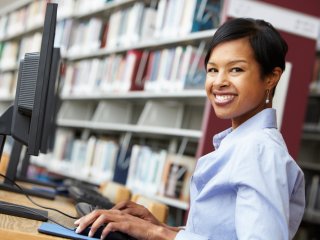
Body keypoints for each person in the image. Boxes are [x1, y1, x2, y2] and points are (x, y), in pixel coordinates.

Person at [74, 18, 305, 240]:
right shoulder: (243, 143)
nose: (219, 82)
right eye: (213, 70)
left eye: (235, 70)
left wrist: (158, 234)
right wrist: (161, 227)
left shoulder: (261, 151)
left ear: (271, 78)